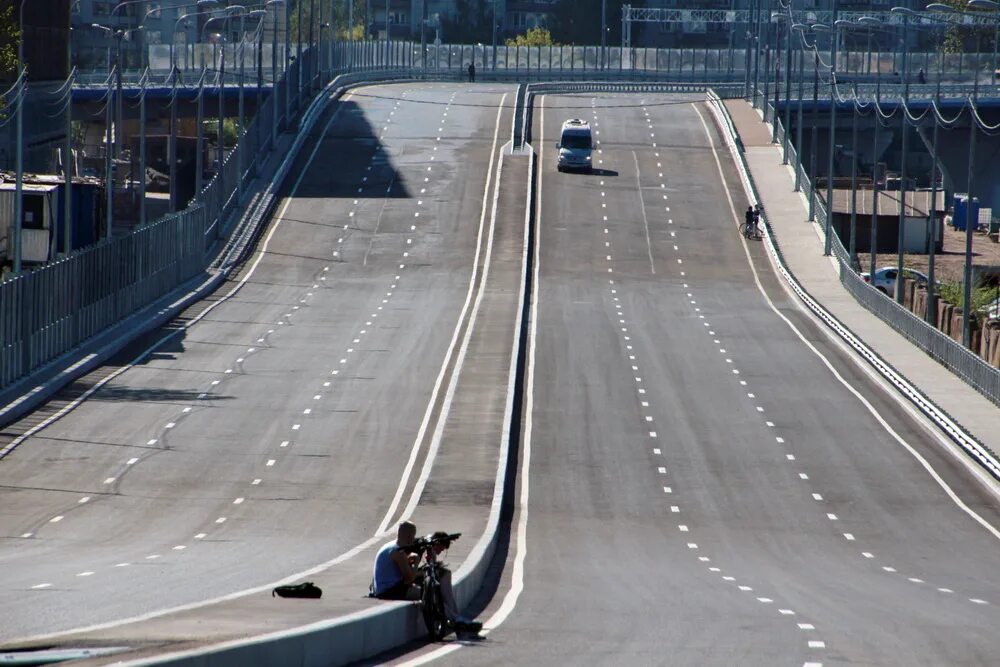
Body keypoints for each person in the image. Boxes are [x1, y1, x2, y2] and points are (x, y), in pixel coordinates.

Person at [372, 521, 482, 633]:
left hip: (386, 587)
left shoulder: (392, 546)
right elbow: (409, 579)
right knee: (429, 594)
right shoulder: (397, 551)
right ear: (409, 535)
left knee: (433, 585)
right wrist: (415, 561)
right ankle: (456, 619)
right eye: (413, 535)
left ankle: (456, 618)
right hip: (390, 590)